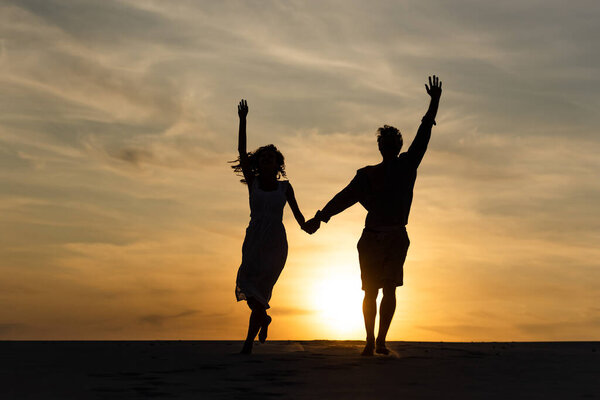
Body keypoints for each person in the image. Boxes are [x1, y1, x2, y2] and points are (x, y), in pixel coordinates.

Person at [304, 76, 442, 356]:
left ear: (396, 146)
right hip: (372, 237)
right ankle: (370, 341)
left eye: (392, 141)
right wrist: (320, 216)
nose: (388, 145)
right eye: (385, 141)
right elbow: (344, 197)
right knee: (372, 291)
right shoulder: (367, 175)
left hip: (394, 235)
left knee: (388, 289)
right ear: (380, 147)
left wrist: (434, 102)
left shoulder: (407, 165)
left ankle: (379, 340)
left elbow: (424, 134)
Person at [232, 99, 310, 354]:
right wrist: (243, 120)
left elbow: (299, 217)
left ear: (277, 164)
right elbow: (243, 154)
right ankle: (263, 320)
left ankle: (247, 344)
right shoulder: (253, 181)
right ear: (259, 163)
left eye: (271, 158)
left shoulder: (285, 187)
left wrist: (312, 225)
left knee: (261, 292)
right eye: (263, 157)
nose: (266, 160)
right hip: (254, 239)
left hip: (275, 243)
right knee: (246, 282)